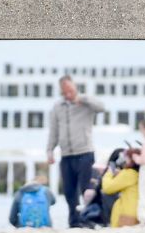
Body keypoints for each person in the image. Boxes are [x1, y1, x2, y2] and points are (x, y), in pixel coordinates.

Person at [46, 75, 106, 228]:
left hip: (85, 152)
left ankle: (88, 221)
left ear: (75, 87)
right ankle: (74, 222)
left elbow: (102, 107)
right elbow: (54, 130)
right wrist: (50, 150)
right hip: (66, 155)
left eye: (70, 91)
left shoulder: (85, 102)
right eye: (64, 92)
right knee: (69, 191)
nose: (68, 95)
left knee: (87, 190)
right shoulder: (57, 107)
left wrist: (83, 99)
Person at [101, 149, 145, 227]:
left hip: (130, 217)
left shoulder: (129, 173)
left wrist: (109, 173)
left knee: (106, 196)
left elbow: (107, 188)